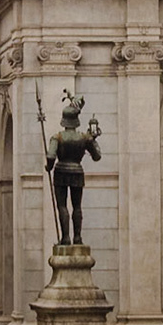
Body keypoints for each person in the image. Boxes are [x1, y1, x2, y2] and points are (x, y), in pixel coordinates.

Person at [45, 95, 103, 245]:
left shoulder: (57, 137)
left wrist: (49, 167)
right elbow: (97, 157)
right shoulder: (84, 137)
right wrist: (93, 141)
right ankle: (77, 237)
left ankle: (65, 237)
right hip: (77, 171)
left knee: (62, 205)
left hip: (60, 172)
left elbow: (51, 155)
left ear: (64, 121)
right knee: (77, 206)